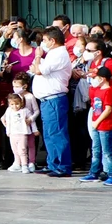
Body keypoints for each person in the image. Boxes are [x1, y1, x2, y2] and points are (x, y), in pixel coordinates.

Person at [31, 27, 74, 177]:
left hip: (54, 99)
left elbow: (38, 70)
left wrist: (37, 57)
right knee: (49, 133)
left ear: (52, 40)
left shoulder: (59, 54)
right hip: (47, 100)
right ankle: (53, 163)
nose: (42, 43)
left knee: (57, 132)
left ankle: (63, 165)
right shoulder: (52, 54)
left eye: (44, 40)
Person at [84, 64, 112, 186]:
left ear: (103, 78)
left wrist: (97, 121)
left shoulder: (110, 91)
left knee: (107, 150)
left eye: (97, 77)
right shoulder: (97, 90)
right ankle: (94, 172)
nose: (94, 80)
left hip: (105, 125)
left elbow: (108, 109)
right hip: (96, 124)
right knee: (96, 149)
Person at [2, 72, 39, 173]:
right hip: (17, 126)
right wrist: (4, 118)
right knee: (17, 146)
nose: (15, 88)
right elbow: (9, 109)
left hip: (28, 125)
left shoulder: (30, 97)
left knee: (30, 145)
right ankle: (18, 162)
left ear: (25, 86)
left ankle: (31, 162)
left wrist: (31, 119)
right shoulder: (15, 96)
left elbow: (36, 111)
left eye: (17, 86)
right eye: (14, 86)